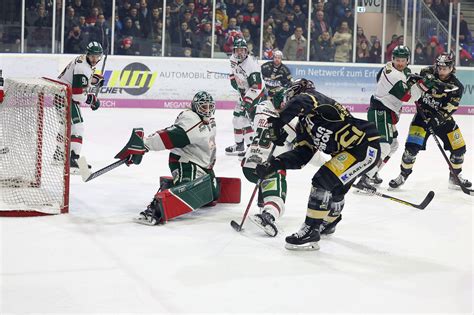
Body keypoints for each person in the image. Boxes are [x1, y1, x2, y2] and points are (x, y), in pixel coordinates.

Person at [256, 79, 381, 250]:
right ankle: (329, 222)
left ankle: (311, 230)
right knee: (335, 188)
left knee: (323, 180)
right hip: (350, 152)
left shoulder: (316, 100)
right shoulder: (304, 125)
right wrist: (274, 164)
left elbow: (301, 101)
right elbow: (302, 155)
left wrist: (279, 122)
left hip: (365, 146)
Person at [132, 91, 219, 225]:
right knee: (189, 194)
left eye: (209, 107)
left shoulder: (210, 120)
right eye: (203, 107)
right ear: (195, 107)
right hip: (185, 162)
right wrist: (144, 144)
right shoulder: (191, 120)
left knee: (212, 197)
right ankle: (155, 209)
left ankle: (170, 185)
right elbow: (169, 137)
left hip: (202, 163)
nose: (207, 111)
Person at [389, 52, 472, 190]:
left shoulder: (456, 86)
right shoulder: (427, 72)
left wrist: (435, 120)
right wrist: (413, 81)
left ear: (452, 68)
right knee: (411, 150)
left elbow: (449, 109)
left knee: (459, 149)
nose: (441, 71)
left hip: (442, 120)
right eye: (439, 67)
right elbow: (416, 86)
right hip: (422, 117)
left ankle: (455, 176)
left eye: (445, 68)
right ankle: (403, 175)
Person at [354, 45, 424, 190]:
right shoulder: (394, 75)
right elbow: (407, 97)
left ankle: (372, 173)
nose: (400, 63)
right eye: (397, 60)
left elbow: (380, 77)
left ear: (407, 60)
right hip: (380, 112)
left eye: (403, 60)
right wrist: (422, 86)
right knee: (384, 147)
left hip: (386, 112)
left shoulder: (397, 69)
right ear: (392, 59)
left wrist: (410, 82)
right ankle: (365, 179)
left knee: (393, 146)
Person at [241, 88, 296, 237]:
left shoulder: (260, 108)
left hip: (248, 165)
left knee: (265, 176)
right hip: (267, 168)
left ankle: (262, 203)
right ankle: (268, 215)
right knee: (278, 173)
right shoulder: (291, 121)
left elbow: (249, 111)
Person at [57, 41, 104, 173]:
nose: (95, 59)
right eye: (92, 56)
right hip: (66, 96)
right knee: (77, 126)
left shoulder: (82, 60)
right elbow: (78, 95)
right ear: (87, 54)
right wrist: (92, 99)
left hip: (61, 93)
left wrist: (92, 80)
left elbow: (76, 80)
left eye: (97, 56)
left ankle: (59, 154)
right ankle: (74, 159)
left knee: (66, 126)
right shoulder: (83, 68)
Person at [226, 38, 265, 157]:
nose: (239, 53)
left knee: (244, 120)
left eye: (242, 50)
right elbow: (233, 73)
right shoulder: (232, 59)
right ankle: (239, 145)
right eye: (237, 50)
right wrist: (234, 82)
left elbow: (256, 86)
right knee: (236, 119)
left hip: (256, 94)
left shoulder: (251, 66)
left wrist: (247, 100)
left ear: (246, 51)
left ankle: (250, 148)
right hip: (243, 92)